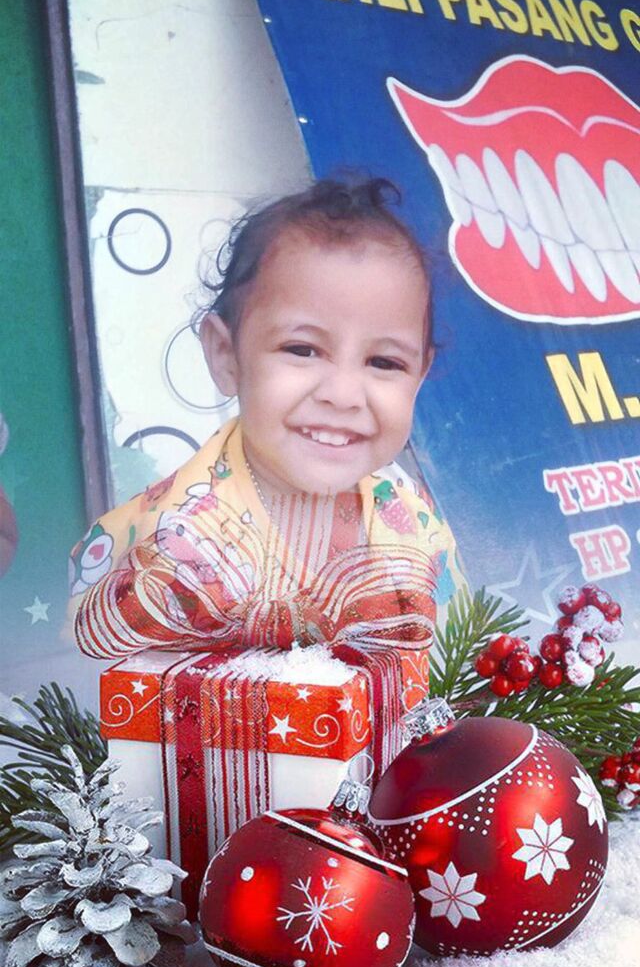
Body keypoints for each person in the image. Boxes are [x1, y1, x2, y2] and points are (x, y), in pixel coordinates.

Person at [69, 178, 465, 657]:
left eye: (384, 362)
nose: (343, 395)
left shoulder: (414, 524)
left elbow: (455, 659)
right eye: (302, 349)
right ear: (226, 355)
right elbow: (103, 669)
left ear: (419, 377)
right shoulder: (172, 541)